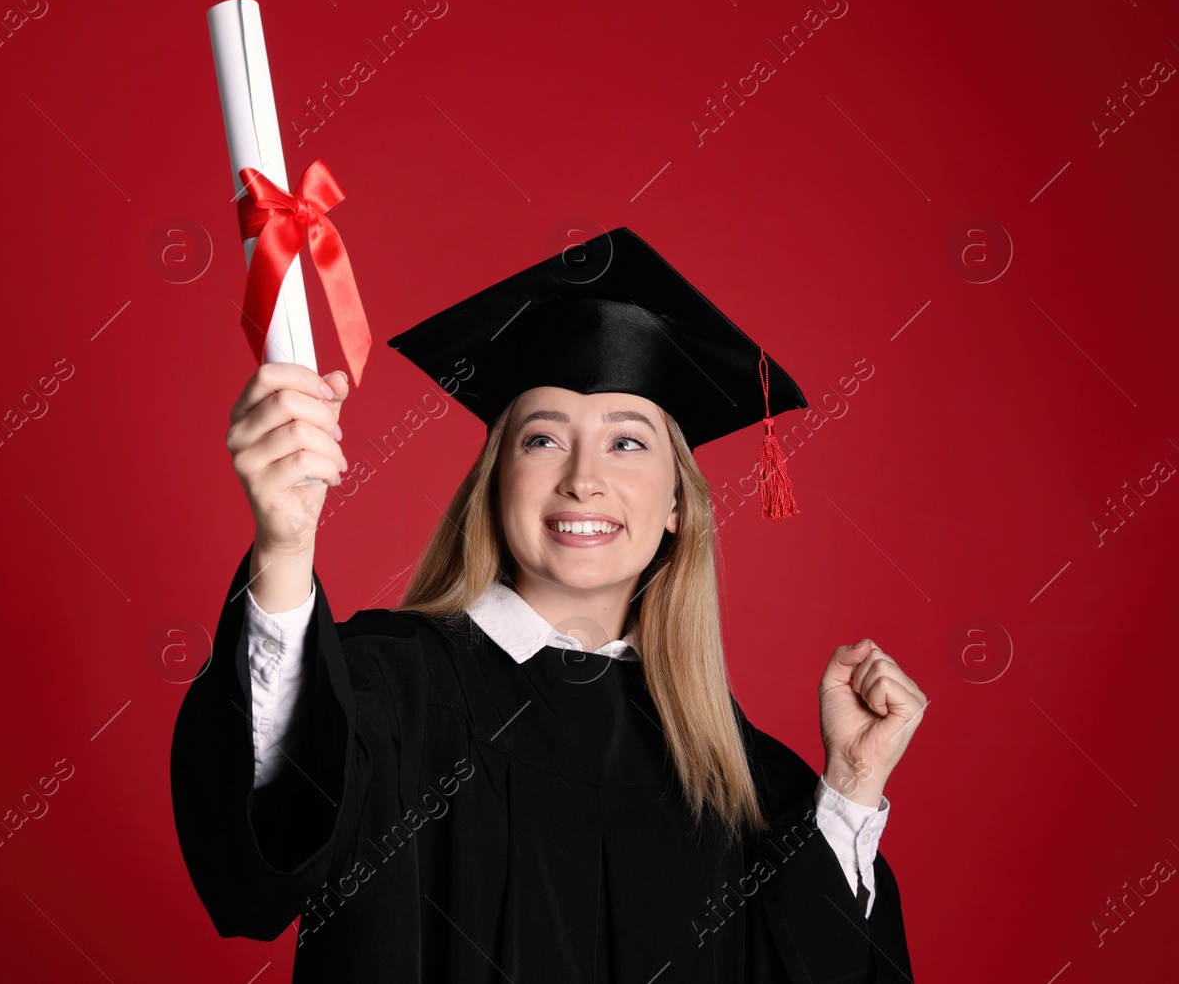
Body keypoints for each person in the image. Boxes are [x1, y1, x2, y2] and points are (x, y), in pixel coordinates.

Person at [171, 227, 926, 982]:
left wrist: (853, 783)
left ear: (675, 505)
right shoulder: (387, 692)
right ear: (497, 484)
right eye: (542, 440)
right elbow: (265, 851)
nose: (583, 480)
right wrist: (285, 543)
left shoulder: (739, 778)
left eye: (627, 442)